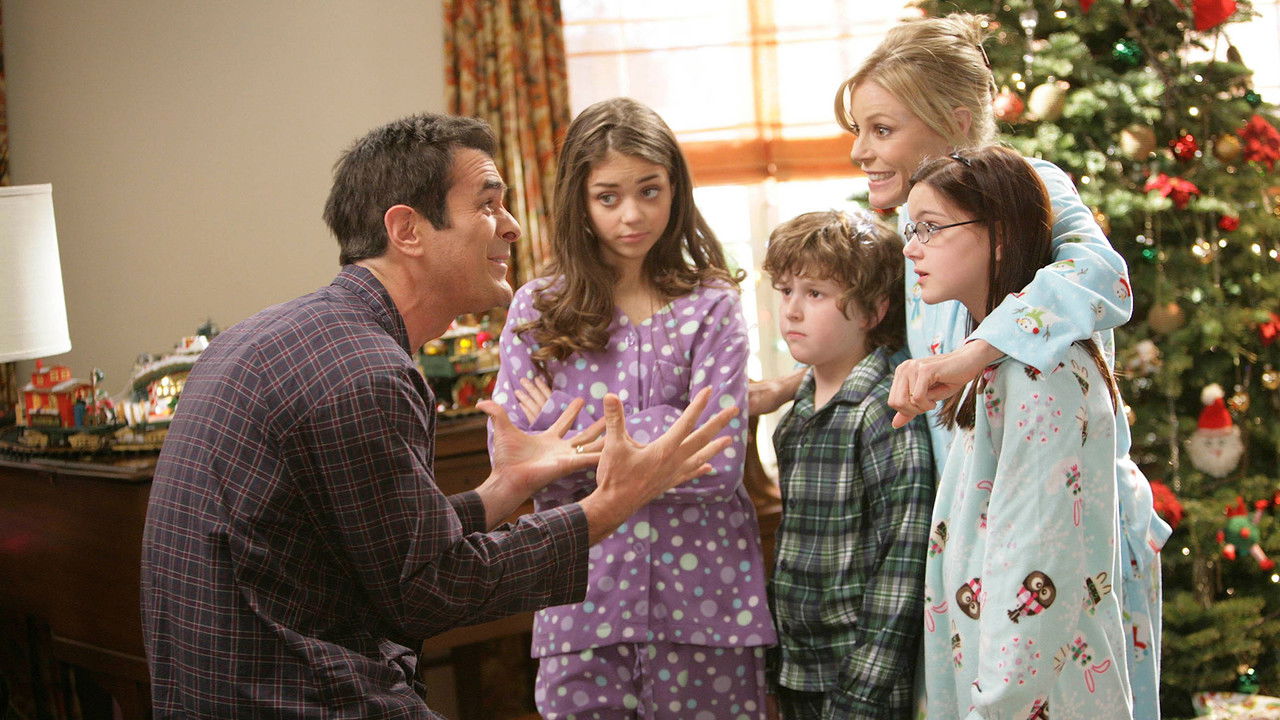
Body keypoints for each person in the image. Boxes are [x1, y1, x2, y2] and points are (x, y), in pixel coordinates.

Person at [139, 113, 739, 719]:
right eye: (488, 205)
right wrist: (610, 504)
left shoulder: (273, 336)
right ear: (407, 230)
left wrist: (504, 486)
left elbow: (396, 548)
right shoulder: (368, 373)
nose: (511, 225)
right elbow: (431, 590)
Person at [749, 14, 1168, 718]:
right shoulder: (921, 234)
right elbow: (901, 354)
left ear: (956, 125)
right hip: (971, 541)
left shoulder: (1030, 191)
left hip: (1066, 535)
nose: (858, 150)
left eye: (881, 129)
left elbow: (1104, 278)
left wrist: (973, 357)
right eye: (857, 130)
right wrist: (793, 384)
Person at [491, 97, 776, 720]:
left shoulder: (712, 303)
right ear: (580, 200)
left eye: (650, 191)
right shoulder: (537, 310)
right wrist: (671, 427)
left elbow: (718, 462)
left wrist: (564, 421)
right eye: (608, 196)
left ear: (675, 189)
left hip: (708, 608)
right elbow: (520, 465)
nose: (632, 214)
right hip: (581, 603)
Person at [909, 145, 1131, 718]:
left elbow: (1038, 557)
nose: (911, 247)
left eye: (930, 228)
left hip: (1033, 698)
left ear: (1001, 236)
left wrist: (995, 707)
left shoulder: (1039, 375)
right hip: (999, 684)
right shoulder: (995, 361)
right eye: (911, 229)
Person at [761, 210, 934, 719]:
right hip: (798, 668)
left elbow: (902, 565)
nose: (792, 310)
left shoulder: (884, 413)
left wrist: (860, 694)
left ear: (873, 310)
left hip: (862, 684)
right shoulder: (799, 408)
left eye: (815, 293)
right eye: (786, 290)